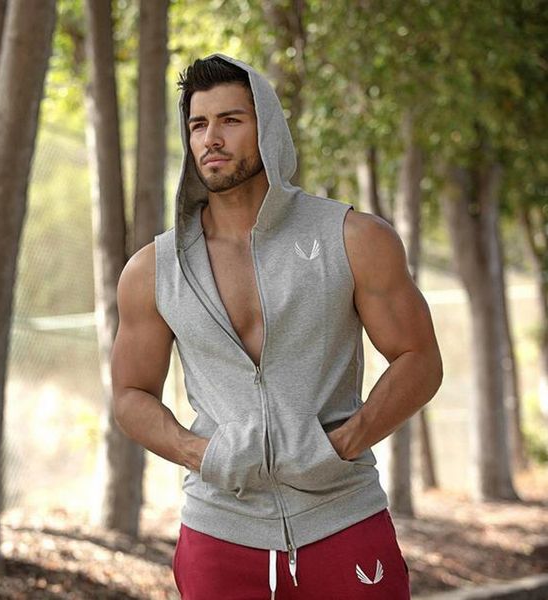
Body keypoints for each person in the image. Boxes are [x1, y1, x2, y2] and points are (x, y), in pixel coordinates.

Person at [111, 53, 443, 600]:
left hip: (341, 517)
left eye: (230, 120)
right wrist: (197, 452)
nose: (211, 139)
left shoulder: (352, 238)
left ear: (268, 128)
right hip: (219, 532)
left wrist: (345, 442)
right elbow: (129, 394)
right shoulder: (154, 269)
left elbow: (419, 359)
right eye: (198, 124)